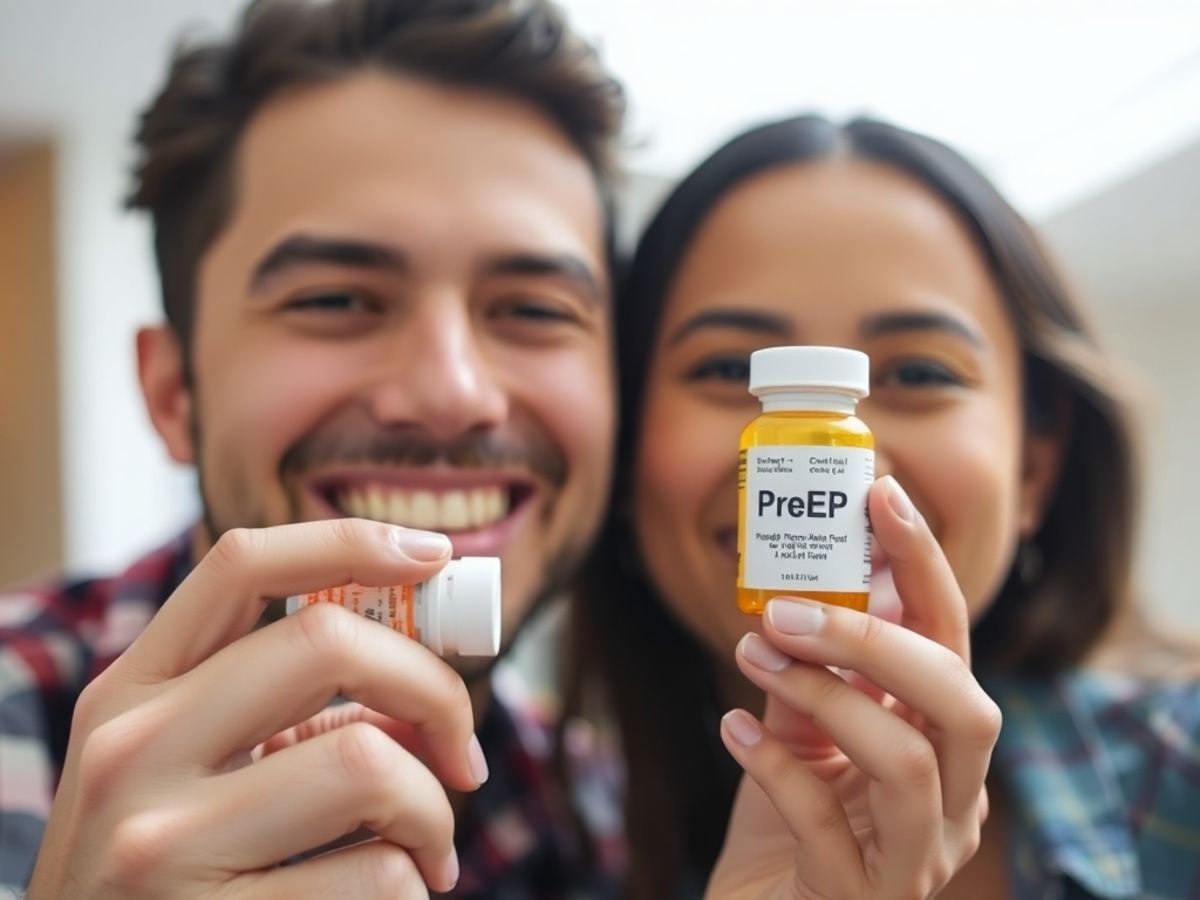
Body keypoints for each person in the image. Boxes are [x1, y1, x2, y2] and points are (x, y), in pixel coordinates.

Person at [0, 0, 626, 895]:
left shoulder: (603, 818)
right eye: (335, 301)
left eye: (533, 310)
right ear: (175, 394)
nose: (452, 396)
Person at [565, 115, 1200, 899]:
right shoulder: (552, 851)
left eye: (921, 374)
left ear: (1034, 468)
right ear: (624, 454)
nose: (837, 469)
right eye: (732, 365)